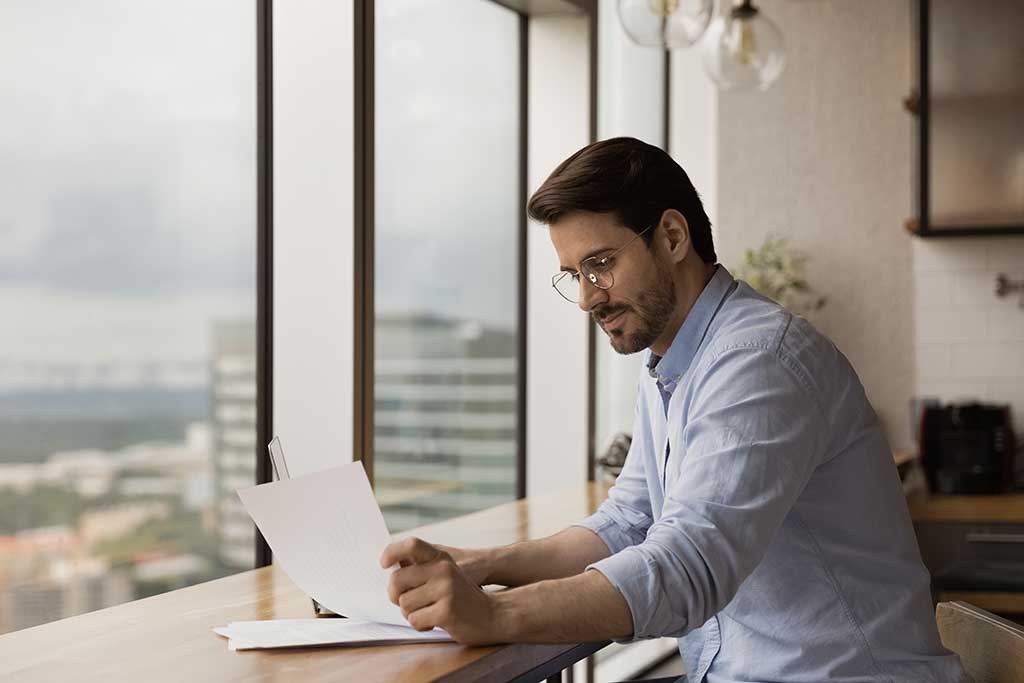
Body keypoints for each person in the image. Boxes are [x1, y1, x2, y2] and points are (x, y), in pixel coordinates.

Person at [380, 137, 969, 682]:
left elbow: (690, 567)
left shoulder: (758, 359)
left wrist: (494, 613)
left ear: (671, 236)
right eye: (574, 275)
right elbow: (627, 523)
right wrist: (481, 566)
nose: (587, 297)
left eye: (601, 263)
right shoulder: (672, 357)